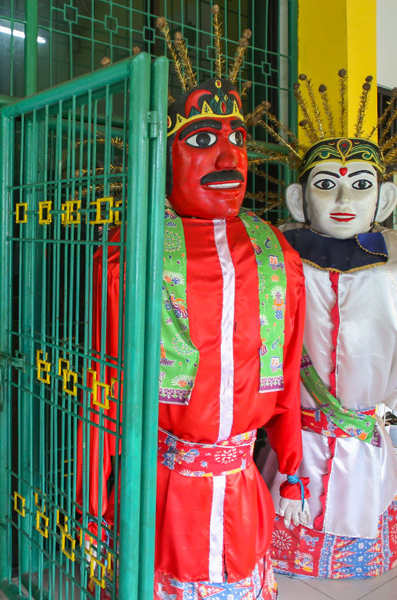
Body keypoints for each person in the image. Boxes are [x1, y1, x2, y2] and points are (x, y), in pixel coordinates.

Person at [77, 13, 310, 599]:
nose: (228, 155)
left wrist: (289, 454)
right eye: (203, 139)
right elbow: (107, 370)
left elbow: (286, 361)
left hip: (241, 477)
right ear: (165, 155)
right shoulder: (134, 248)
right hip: (164, 481)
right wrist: (91, 483)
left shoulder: (272, 247)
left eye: (236, 138)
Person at [259, 73, 397, 579]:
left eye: (361, 185)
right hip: (296, 426)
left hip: (367, 424)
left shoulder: (394, 266)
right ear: (299, 200)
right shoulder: (278, 256)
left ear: (384, 200)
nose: (343, 199)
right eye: (326, 184)